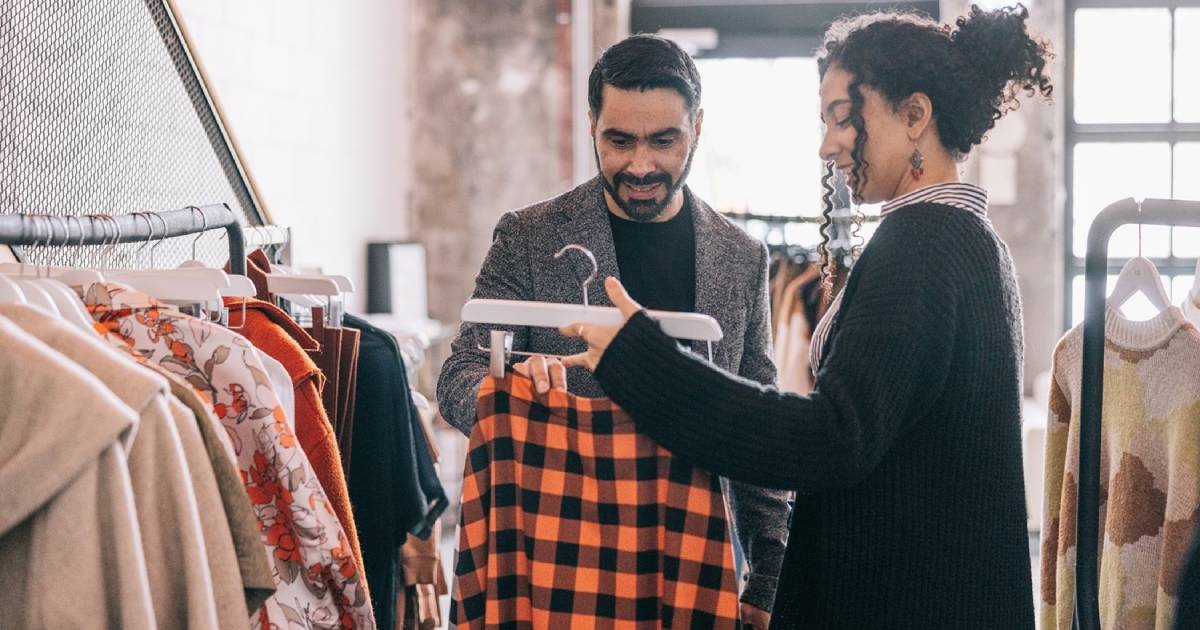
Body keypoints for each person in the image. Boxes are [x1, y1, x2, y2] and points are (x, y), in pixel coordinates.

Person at [557, 6, 1053, 628]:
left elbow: (831, 438)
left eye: (843, 119)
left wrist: (642, 358)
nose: (827, 145)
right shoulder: (967, 239)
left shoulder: (923, 246)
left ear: (914, 115)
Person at [436, 34, 791, 626]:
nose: (641, 165)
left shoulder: (741, 257)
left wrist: (768, 578)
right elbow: (457, 377)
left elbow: (757, 423)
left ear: (697, 127)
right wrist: (514, 387)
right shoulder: (530, 237)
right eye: (619, 141)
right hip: (556, 561)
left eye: (664, 140)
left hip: (689, 561)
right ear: (591, 125)